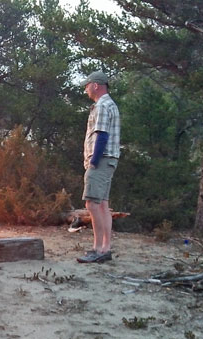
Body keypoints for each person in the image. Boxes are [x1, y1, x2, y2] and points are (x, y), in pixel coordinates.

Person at [76, 71, 120, 264]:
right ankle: (104, 248)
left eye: (87, 85)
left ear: (95, 85)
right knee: (102, 204)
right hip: (108, 159)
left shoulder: (103, 105)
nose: (85, 89)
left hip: (101, 159)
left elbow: (101, 135)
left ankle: (99, 249)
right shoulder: (109, 104)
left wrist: (93, 161)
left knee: (92, 203)